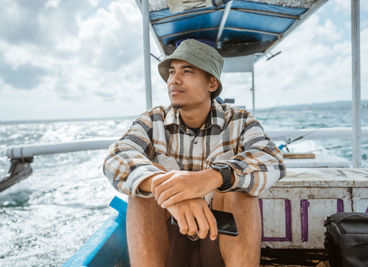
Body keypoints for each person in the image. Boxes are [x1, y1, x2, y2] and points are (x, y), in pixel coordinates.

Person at [103, 39, 285, 267]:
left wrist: (210, 178)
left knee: (238, 189)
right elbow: (116, 156)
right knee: (142, 189)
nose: (173, 80)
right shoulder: (153, 120)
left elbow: (272, 159)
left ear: (212, 83)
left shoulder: (239, 121)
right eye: (171, 72)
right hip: (171, 240)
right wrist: (171, 191)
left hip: (219, 243)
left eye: (187, 71)